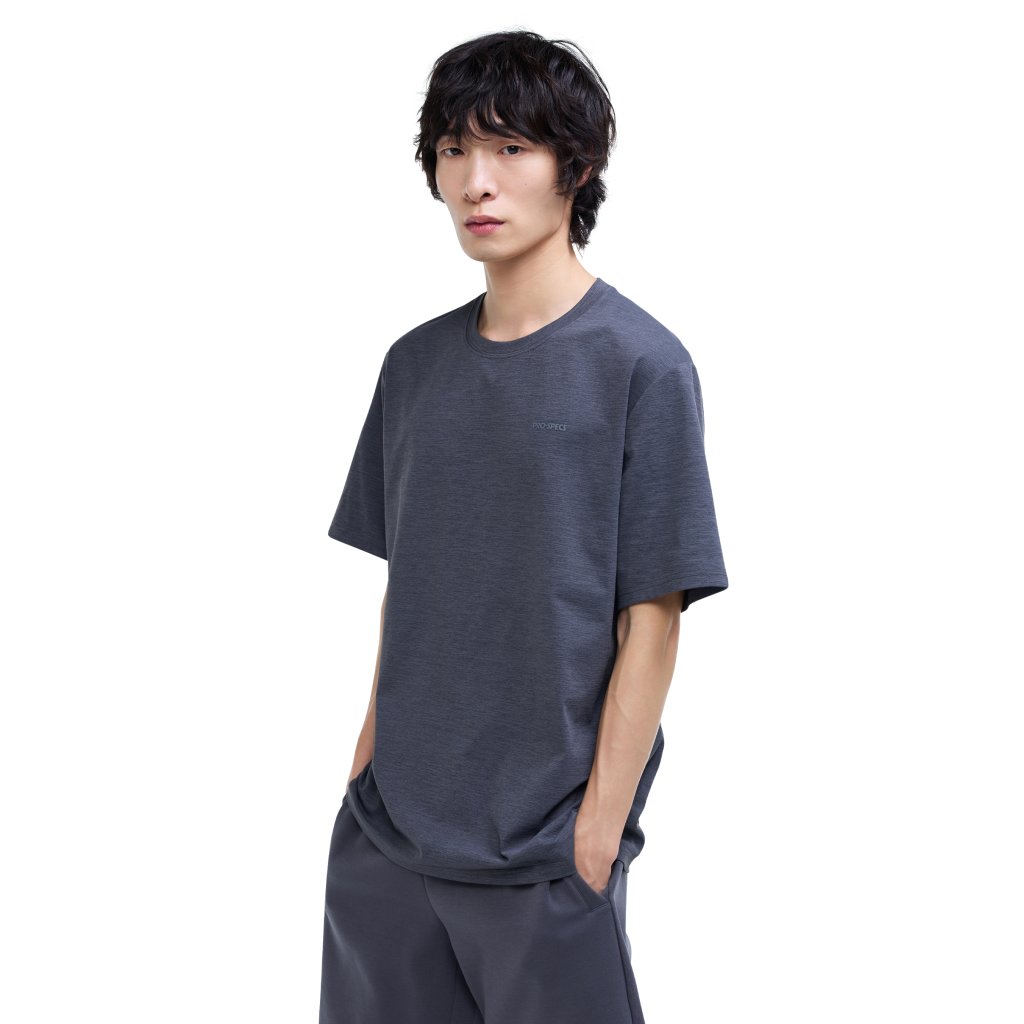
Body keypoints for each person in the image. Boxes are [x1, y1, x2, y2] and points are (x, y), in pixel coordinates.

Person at [318, 29, 729, 1024]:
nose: (477, 181)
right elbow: (409, 583)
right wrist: (366, 767)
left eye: (510, 148)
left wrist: (597, 834)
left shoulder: (643, 366)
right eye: (454, 150)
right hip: (388, 841)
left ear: (574, 168)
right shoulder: (413, 366)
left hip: (545, 856)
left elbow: (652, 617)